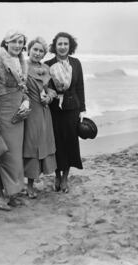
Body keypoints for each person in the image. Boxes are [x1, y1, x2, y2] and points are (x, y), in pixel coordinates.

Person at [0, 30, 31, 209]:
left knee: (15, 156)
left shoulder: (23, 62)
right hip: (2, 114)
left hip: (18, 114)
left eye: (20, 42)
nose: (17, 45)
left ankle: (12, 193)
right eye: (13, 41)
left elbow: (24, 89)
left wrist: (26, 101)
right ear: (6, 43)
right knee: (2, 154)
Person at [45, 32, 86, 193]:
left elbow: (80, 87)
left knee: (70, 143)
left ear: (70, 46)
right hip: (54, 110)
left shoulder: (76, 63)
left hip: (72, 109)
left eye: (65, 44)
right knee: (56, 144)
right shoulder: (47, 64)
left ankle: (65, 178)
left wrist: (82, 108)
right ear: (55, 46)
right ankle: (56, 175)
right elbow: (45, 87)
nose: (62, 47)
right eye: (59, 44)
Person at [23, 37, 57, 198]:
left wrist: (49, 97)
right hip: (29, 113)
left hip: (44, 112)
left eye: (41, 51)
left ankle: (33, 183)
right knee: (30, 147)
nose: (37, 53)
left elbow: (51, 90)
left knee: (41, 147)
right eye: (35, 49)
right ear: (29, 49)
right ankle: (27, 185)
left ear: (44, 53)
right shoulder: (22, 66)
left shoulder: (45, 68)